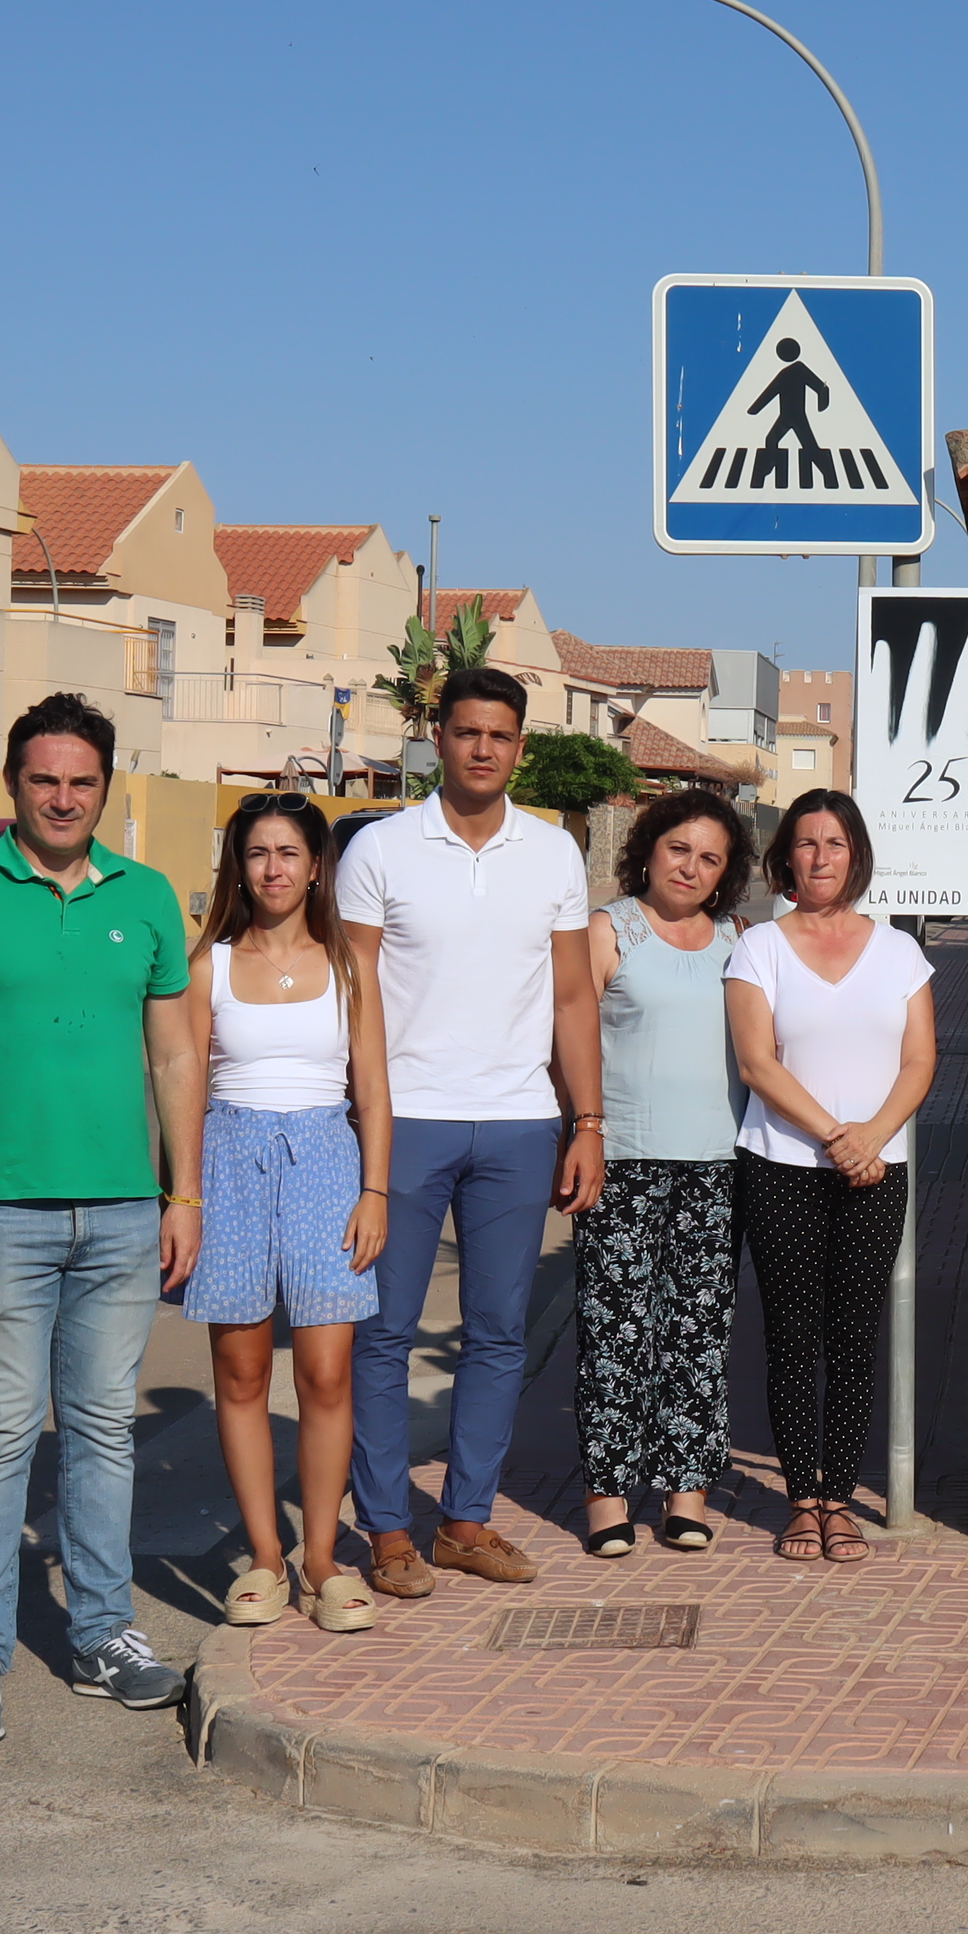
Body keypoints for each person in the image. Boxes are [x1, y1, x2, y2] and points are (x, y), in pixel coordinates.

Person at [0, 692, 203, 1742]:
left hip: (122, 1210)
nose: (63, 798)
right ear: (12, 785)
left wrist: (184, 1193)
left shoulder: (151, 896)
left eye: (81, 781)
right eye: (44, 780)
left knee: (104, 1432)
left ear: (105, 788)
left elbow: (173, 1053)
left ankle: (103, 1634)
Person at [336, 667, 604, 1600]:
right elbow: (355, 990)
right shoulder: (380, 848)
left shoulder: (554, 853)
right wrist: (362, 1115)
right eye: (466, 732)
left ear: (519, 747)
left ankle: (465, 1522)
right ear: (438, 739)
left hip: (523, 1122)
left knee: (497, 1333)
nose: (483, 747)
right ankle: (385, 1531)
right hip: (404, 1118)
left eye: (500, 734)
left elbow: (573, 995)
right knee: (384, 1333)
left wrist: (588, 1123)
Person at [179, 794, 393, 1635]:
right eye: (258, 853)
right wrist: (185, 1198)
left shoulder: (349, 966)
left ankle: (324, 1560)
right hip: (228, 1162)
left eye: (289, 853)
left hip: (327, 1166)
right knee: (239, 1375)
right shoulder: (210, 966)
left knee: (327, 1375)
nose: (273, 868)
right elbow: (186, 1088)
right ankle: (266, 1559)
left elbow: (372, 1091)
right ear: (240, 865)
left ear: (315, 867)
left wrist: (375, 1190)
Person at [726, 791, 937, 1563]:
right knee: (790, 1341)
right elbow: (758, 1062)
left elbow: (920, 1061)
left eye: (836, 843)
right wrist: (834, 1138)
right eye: (807, 844)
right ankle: (800, 1501)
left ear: (857, 856)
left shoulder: (900, 954)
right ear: (787, 857)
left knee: (853, 1340)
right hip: (782, 1165)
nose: (820, 857)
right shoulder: (759, 950)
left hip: (878, 1170)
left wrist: (873, 1139)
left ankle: (840, 1497)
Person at [574, 789, 749, 1557]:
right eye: (680, 848)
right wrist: (580, 1131)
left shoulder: (738, 940)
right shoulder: (612, 930)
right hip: (623, 1163)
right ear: (648, 848)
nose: (691, 866)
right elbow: (570, 1035)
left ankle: (687, 1492)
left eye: (710, 858)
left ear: (726, 875)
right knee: (615, 1330)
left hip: (715, 1165)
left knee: (699, 1332)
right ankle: (607, 1495)